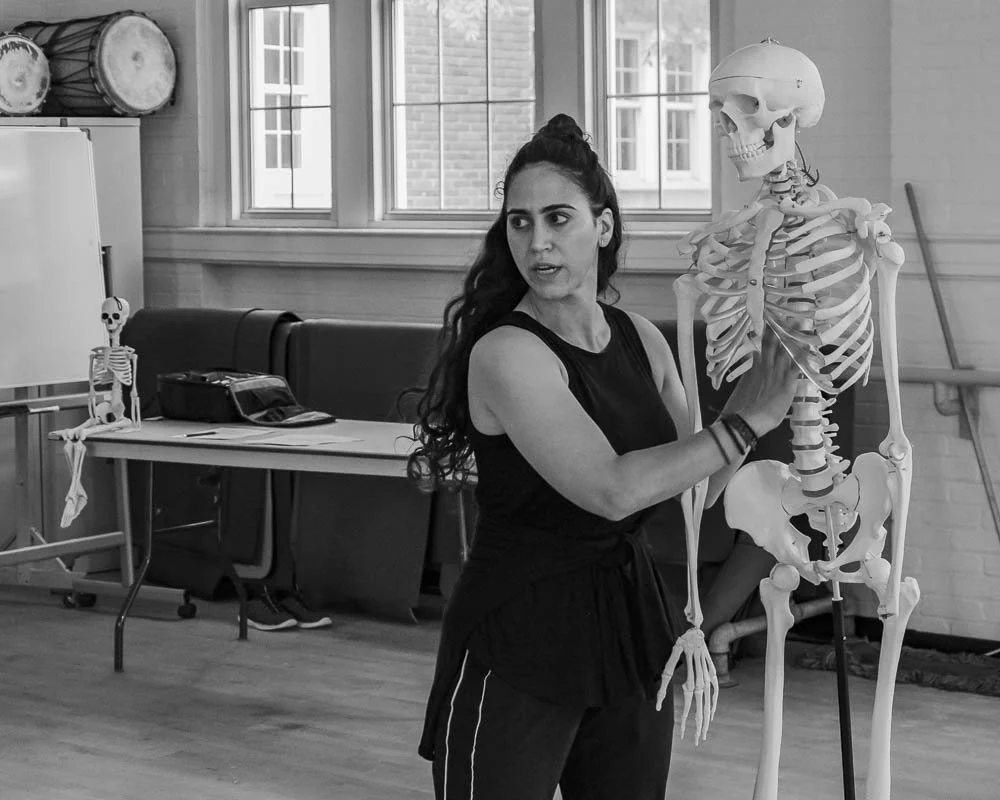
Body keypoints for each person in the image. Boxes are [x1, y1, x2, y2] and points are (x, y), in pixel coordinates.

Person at [407, 113, 799, 800]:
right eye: (520, 223)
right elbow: (612, 490)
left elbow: (694, 492)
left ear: (604, 226)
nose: (538, 242)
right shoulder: (506, 352)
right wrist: (744, 423)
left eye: (558, 218)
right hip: (521, 625)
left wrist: (754, 400)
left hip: (627, 620)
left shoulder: (641, 338)